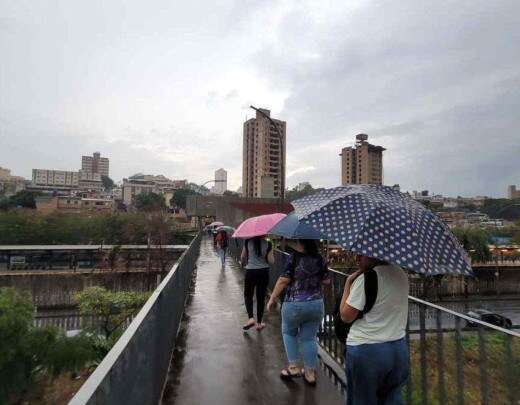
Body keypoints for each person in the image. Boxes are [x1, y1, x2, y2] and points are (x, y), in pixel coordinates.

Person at [340, 254, 409, 405]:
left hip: (367, 351)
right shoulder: (401, 273)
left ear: (374, 254)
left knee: (362, 399)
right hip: (398, 350)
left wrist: (347, 283)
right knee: (392, 398)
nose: (357, 258)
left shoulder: (366, 278)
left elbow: (346, 316)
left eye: (361, 254)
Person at [267, 239, 329, 386]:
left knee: (288, 332)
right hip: (316, 304)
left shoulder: (294, 257)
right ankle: (310, 373)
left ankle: (293, 367)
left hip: (295, 303)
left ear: (301, 243)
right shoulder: (320, 259)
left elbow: (283, 280)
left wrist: (272, 298)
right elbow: (326, 281)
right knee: (309, 338)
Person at [240, 236, 274, 331]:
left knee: (248, 295)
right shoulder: (268, 243)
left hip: (250, 272)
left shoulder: (247, 242)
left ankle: (251, 318)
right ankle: (259, 323)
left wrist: (242, 263)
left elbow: (243, 257)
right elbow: (271, 261)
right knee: (261, 297)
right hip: (263, 272)